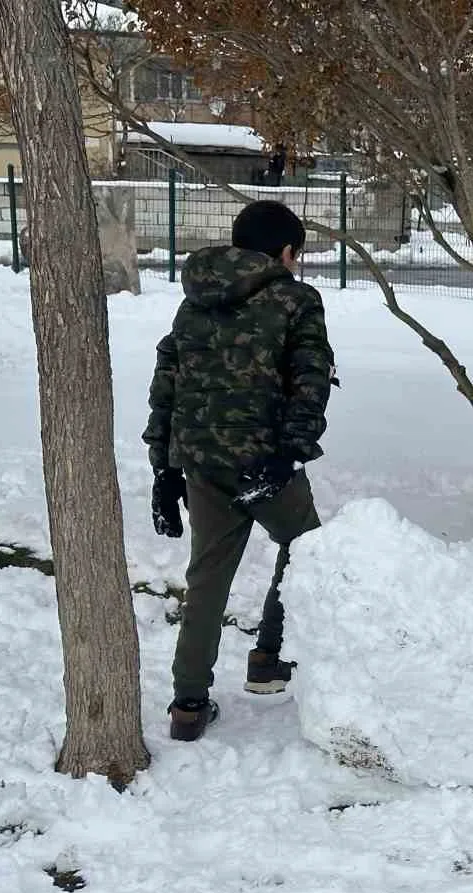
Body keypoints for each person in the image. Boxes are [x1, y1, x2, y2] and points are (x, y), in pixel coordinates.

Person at [145, 200, 335, 742]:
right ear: (286, 251)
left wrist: (165, 471)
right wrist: (290, 453)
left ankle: (187, 706)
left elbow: (167, 386)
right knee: (306, 550)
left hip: (202, 463)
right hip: (264, 461)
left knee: (206, 578)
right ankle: (268, 657)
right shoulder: (295, 299)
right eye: (296, 254)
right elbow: (311, 380)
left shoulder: (193, 302)